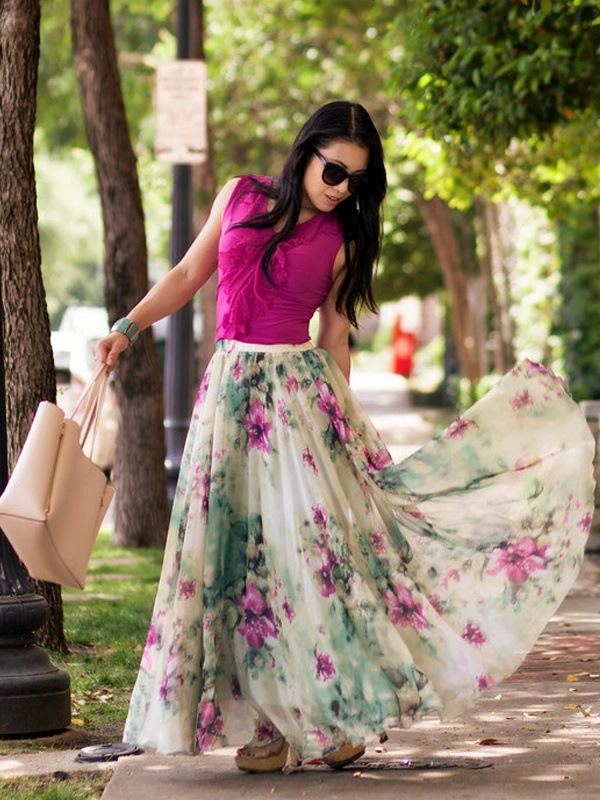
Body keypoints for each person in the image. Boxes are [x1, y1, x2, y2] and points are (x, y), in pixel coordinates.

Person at [97, 100, 594, 774]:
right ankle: (268, 729)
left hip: (297, 403)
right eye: (334, 171)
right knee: (233, 559)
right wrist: (127, 329)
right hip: (228, 398)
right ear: (307, 151)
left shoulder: (343, 240)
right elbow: (188, 275)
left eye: (355, 181)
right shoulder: (239, 195)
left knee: (305, 560)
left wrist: (344, 427)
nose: (341, 188)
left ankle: (329, 716)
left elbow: (333, 337)